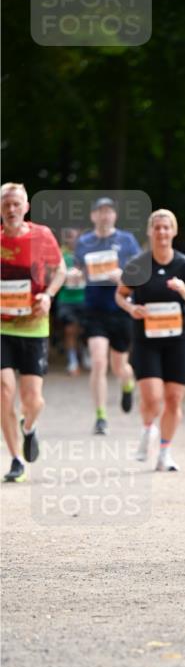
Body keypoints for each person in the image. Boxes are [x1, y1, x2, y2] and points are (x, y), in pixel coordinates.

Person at [115, 209, 185, 472]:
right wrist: (131, 308)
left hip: (179, 341)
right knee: (153, 398)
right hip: (146, 340)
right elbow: (120, 295)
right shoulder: (138, 265)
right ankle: (147, 430)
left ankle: (165, 453)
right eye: (157, 227)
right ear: (150, 231)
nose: (162, 232)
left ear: (174, 231)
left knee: (174, 399)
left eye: (167, 227)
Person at [1, 182, 65, 482]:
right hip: (2, 325)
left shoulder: (42, 236)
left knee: (33, 399)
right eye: (6, 204)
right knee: (4, 392)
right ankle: (15, 460)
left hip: (33, 325)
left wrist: (48, 295)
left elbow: (60, 269)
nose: (11, 209)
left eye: (16, 204)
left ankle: (29, 427)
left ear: (25, 207)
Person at [75, 197, 140, 435]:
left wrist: (123, 275)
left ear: (114, 216)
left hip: (120, 309)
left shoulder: (127, 240)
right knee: (98, 361)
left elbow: (139, 272)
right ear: (93, 216)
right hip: (95, 310)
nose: (104, 216)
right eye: (100, 212)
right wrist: (74, 277)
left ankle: (127, 383)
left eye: (108, 211)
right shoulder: (84, 242)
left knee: (120, 366)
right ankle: (101, 417)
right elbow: (78, 270)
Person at [55, 227, 85, 375]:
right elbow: (51, 275)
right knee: (70, 330)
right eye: (69, 237)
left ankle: (84, 353)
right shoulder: (59, 255)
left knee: (84, 330)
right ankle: (72, 361)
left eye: (75, 237)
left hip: (84, 298)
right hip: (66, 298)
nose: (72, 240)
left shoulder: (86, 254)